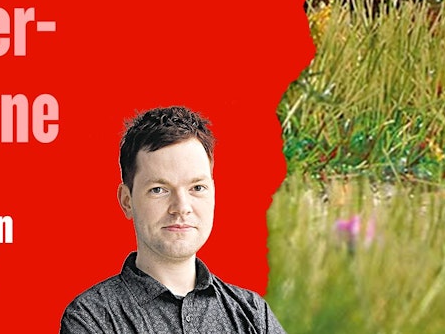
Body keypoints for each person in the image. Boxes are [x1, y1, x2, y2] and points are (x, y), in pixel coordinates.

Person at [61, 107, 284, 334]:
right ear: (127, 201)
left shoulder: (253, 313)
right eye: (159, 189)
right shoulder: (92, 318)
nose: (181, 208)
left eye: (197, 187)